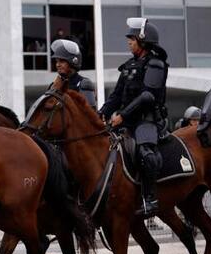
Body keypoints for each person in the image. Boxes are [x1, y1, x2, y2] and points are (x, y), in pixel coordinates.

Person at [100, 17, 169, 219]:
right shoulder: (129, 65)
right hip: (127, 120)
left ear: (143, 40)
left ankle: (150, 199)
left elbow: (148, 96)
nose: (128, 42)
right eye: (129, 38)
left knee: (146, 153)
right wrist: (101, 113)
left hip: (147, 120)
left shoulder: (156, 64)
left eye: (132, 38)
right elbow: (115, 96)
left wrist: (122, 115)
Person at [50, 39, 97, 108]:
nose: (57, 65)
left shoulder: (84, 84)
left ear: (74, 61)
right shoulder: (54, 86)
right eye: (56, 61)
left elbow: (90, 115)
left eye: (62, 61)